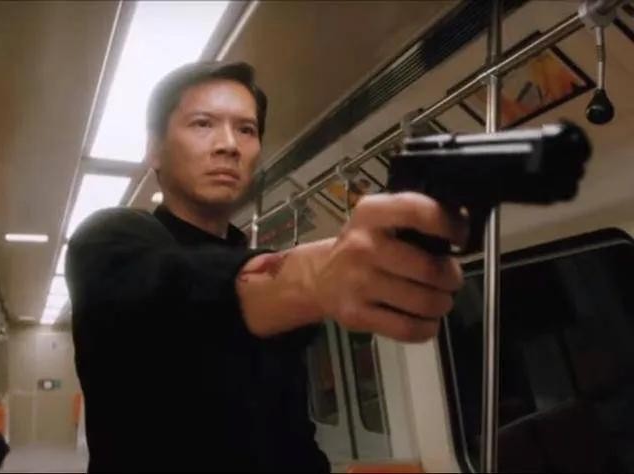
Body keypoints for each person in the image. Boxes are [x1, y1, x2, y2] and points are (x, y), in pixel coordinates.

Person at [66, 61, 467, 472]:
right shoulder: (109, 242)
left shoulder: (265, 276)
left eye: (246, 129)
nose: (229, 145)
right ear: (154, 149)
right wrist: (312, 275)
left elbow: (290, 433)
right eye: (203, 124)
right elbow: (171, 292)